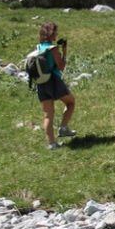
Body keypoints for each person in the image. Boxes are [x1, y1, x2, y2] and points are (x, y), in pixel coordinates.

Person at [36, 21, 76, 149]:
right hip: (53, 81)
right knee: (71, 102)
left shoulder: (39, 48)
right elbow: (61, 66)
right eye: (55, 32)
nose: (57, 35)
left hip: (41, 82)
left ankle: (51, 144)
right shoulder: (52, 49)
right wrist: (64, 52)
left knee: (48, 114)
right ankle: (63, 128)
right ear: (51, 34)